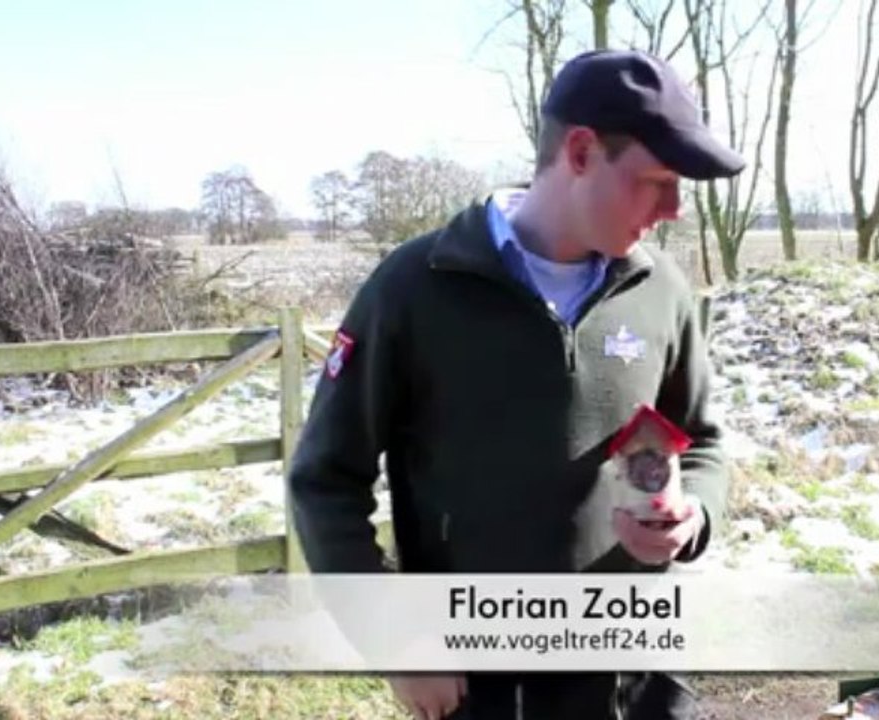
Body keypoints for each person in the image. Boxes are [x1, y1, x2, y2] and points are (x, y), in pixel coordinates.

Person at [288, 48, 745, 720]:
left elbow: (700, 440)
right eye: (657, 181)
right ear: (582, 152)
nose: (676, 209)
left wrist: (693, 515)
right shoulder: (416, 288)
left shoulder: (661, 292)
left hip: (630, 679)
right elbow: (324, 479)